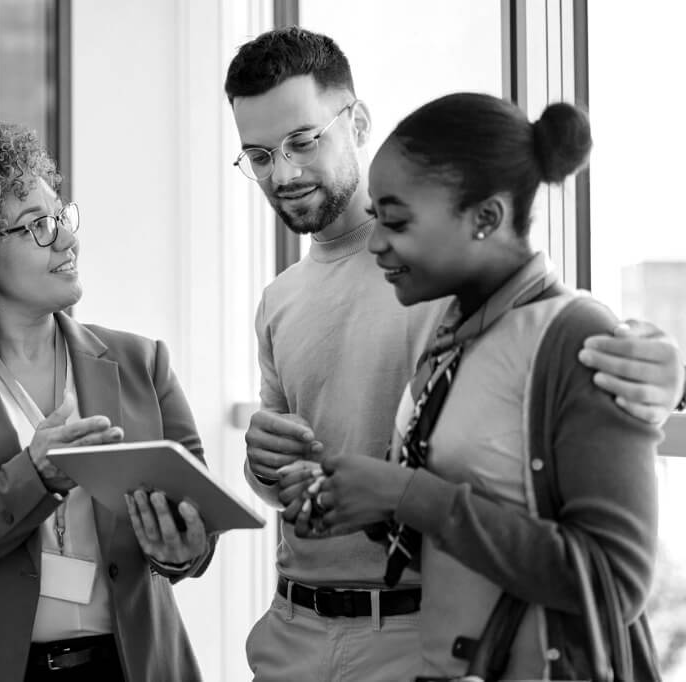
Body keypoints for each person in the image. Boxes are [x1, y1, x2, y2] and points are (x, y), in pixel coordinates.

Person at [224, 26, 683, 682]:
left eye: (303, 142)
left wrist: (661, 368)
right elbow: (310, 467)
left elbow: (558, 334)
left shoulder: (448, 271)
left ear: (356, 123)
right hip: (293, 633)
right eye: (260, 156)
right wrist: (266, 466)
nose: (285, 173)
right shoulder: (280, 298)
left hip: (426, 631)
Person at [0, 122, 215, 682]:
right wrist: (32, 477)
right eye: (37, 227)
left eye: (61, 217)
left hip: (134, 668)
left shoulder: (143, 363)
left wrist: (183, 548)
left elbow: (198, 527)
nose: (67, 240)